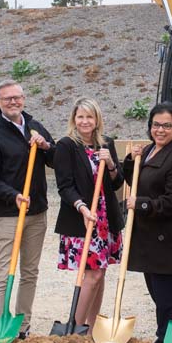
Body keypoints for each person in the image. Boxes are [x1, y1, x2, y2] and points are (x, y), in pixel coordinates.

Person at [0, 79, 55, 338]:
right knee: (4, 270)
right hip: (9, 214)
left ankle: (22, 326)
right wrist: (14, 196)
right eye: (7, 98)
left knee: (29, 272)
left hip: (37, 212)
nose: (13, 102)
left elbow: (55, 160)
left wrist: (46, 146)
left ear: (24, 99)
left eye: (17, 97)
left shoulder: (35, 127)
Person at [122, 102, 172, 343]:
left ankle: (171, 340)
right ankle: (164, 335)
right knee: (157, 291)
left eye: (166, 126)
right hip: (150, 238)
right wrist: (131, 161)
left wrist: (141, 204)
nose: (160, 130)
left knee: (168, 293)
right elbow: (138, 178)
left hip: (168, 239)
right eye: (156, 125)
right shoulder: (152, 150)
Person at [53, 99, 124, 330]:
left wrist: (111, 163)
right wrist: (82, 208)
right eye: (80, 117)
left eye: (89, 117)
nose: (85, 121)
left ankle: (92, 329)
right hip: (83, 217)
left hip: (105, 219)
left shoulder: (106, 144)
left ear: (97, 120)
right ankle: (76, 327)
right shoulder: (66, 145)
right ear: (74, 119)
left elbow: (117, 183)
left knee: (100, 274)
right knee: (92, 275)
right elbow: (64, 186)